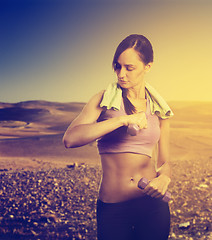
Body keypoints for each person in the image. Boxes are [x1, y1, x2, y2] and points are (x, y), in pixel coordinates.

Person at [63, 34, 173, 240]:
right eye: (117, 66)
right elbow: (70, 139)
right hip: (113, 208)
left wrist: (165, 178)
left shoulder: (160, 109)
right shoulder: (103, 100)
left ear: (147, 67)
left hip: (152, 206)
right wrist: (122, 120)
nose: (121, 74)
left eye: (129, 68)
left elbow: (165, 161)